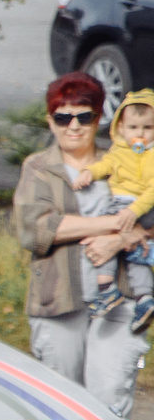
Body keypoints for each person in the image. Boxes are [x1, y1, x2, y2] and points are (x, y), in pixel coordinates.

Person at [17, 71, 153, 418]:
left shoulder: (124, 161)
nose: (73, 126)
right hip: (58, 301)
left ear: (99, 118)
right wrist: (115, 225)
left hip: (119, 300)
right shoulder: (39, 168)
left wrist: (118, 241)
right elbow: (36, 230)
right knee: (61, 405)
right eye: (63, 117)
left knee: (107, 399)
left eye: (84, 116)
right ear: (50, 121)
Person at [88, 87, 154, 330]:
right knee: (136, 250)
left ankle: (109, 290)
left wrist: (134, 212)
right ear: (121, 129)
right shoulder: (118, 151)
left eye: (148, 128)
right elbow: (104, 165)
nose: (141, 134)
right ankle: (143, 298)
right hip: (124, 203)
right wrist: (89, 173)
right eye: (134, 128)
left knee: (109, 239)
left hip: (138, 207)